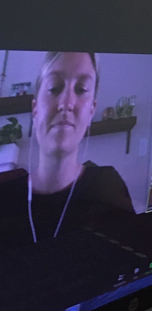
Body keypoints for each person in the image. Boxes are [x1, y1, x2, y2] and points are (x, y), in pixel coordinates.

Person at [0, 52, 135, 245]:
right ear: (35, 109)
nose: (66, 103)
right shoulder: (4, 198)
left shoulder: (107, 186)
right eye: (54, 88)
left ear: (91, 111)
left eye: (81, 89)